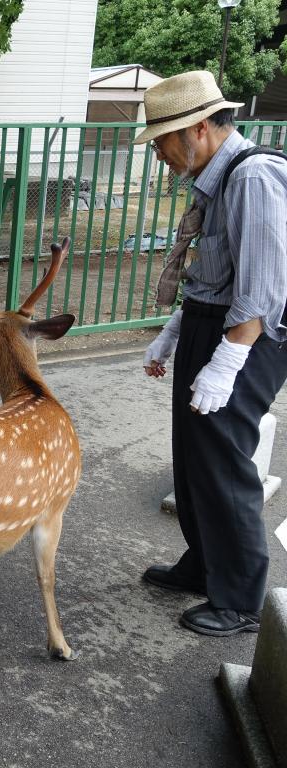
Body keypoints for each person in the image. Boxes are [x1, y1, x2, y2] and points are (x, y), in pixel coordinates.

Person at [136, 70, 287, 637]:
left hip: (246, 339)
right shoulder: (218, 182)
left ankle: (241, 597)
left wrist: (225, 363)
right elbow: (214, 276)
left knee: (224, 462)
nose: (158, 155)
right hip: (215, 327)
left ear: (198, 129)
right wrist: (174, 332)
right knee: (195, 456)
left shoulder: (254, 177)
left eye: (161, 141)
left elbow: (262, 288)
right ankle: (203, 564)